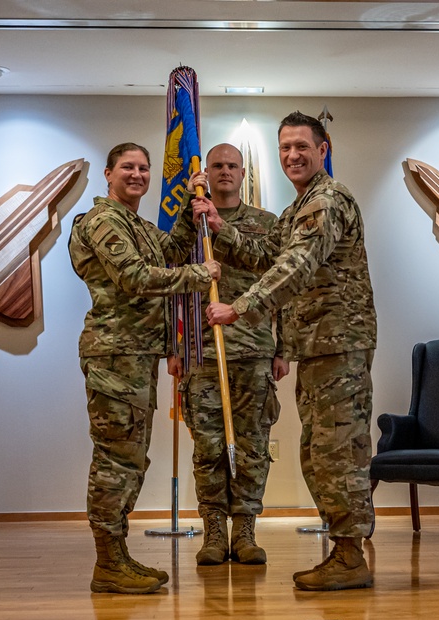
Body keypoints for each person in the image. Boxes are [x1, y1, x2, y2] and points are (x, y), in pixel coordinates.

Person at [203, 112, 378, 591]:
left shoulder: (327, 199)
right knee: (318, 452)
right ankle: (345, 553)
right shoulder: (299, 206)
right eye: (285, 148)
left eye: (302, 146)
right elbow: (269, 256)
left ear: (324, 150)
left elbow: (296, 267)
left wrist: (238, 308)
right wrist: (223, 228)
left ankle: (349, 556)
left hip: (339, 344)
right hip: (320, 348)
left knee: (338, 453)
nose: (292, 156)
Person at [68, 142, 221, 594]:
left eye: (143, 169)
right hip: (113, 356)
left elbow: (169, 250)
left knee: (131, 459)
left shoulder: (135, 223)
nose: (137, 175)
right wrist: (201, 275)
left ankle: (117, 558)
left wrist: (191, 209)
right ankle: (108, 561)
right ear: (108, 173)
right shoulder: (101, 220)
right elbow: (133, 277)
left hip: (134, 356)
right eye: (128, 168)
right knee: (116, 460)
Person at [168, 143, 286, 566]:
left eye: (231, 166)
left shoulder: (266, 223)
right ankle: (214, 531)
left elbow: (281, 282)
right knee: (209, 447)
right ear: (207, 172)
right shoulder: (190, 222)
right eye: (216, 165)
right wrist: (174, 346)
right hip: (201, 351)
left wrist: (283, 347)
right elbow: (172, 285)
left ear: (243, 172)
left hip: (253, 350)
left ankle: (246, 531)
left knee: (252, 445)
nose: (223, 172)